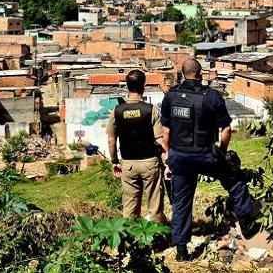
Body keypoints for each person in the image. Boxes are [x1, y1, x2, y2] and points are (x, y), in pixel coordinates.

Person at [161, 58, 259, 261]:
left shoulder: (171, 97)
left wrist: (169, 157)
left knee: (181, 203)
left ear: (182, 73)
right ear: (200, 74)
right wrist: (222, 153)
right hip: (205, 154)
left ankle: (181, 251)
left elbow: (165, 133)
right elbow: (226, 130)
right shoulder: (212, 96)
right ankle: (248, 223)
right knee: (234, 179)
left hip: (180, 157)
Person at [107, 69, 167, 223]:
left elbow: (111, 139)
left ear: (127, 86)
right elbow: (160, 140)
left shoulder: (117, 111)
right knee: (155, 206)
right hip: (149, 162)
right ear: (143, 86)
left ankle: (131, 240)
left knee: (130, 207)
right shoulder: (150, 109)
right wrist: (167, 161)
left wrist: (114, 161)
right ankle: (156, 238)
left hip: (128, 164)